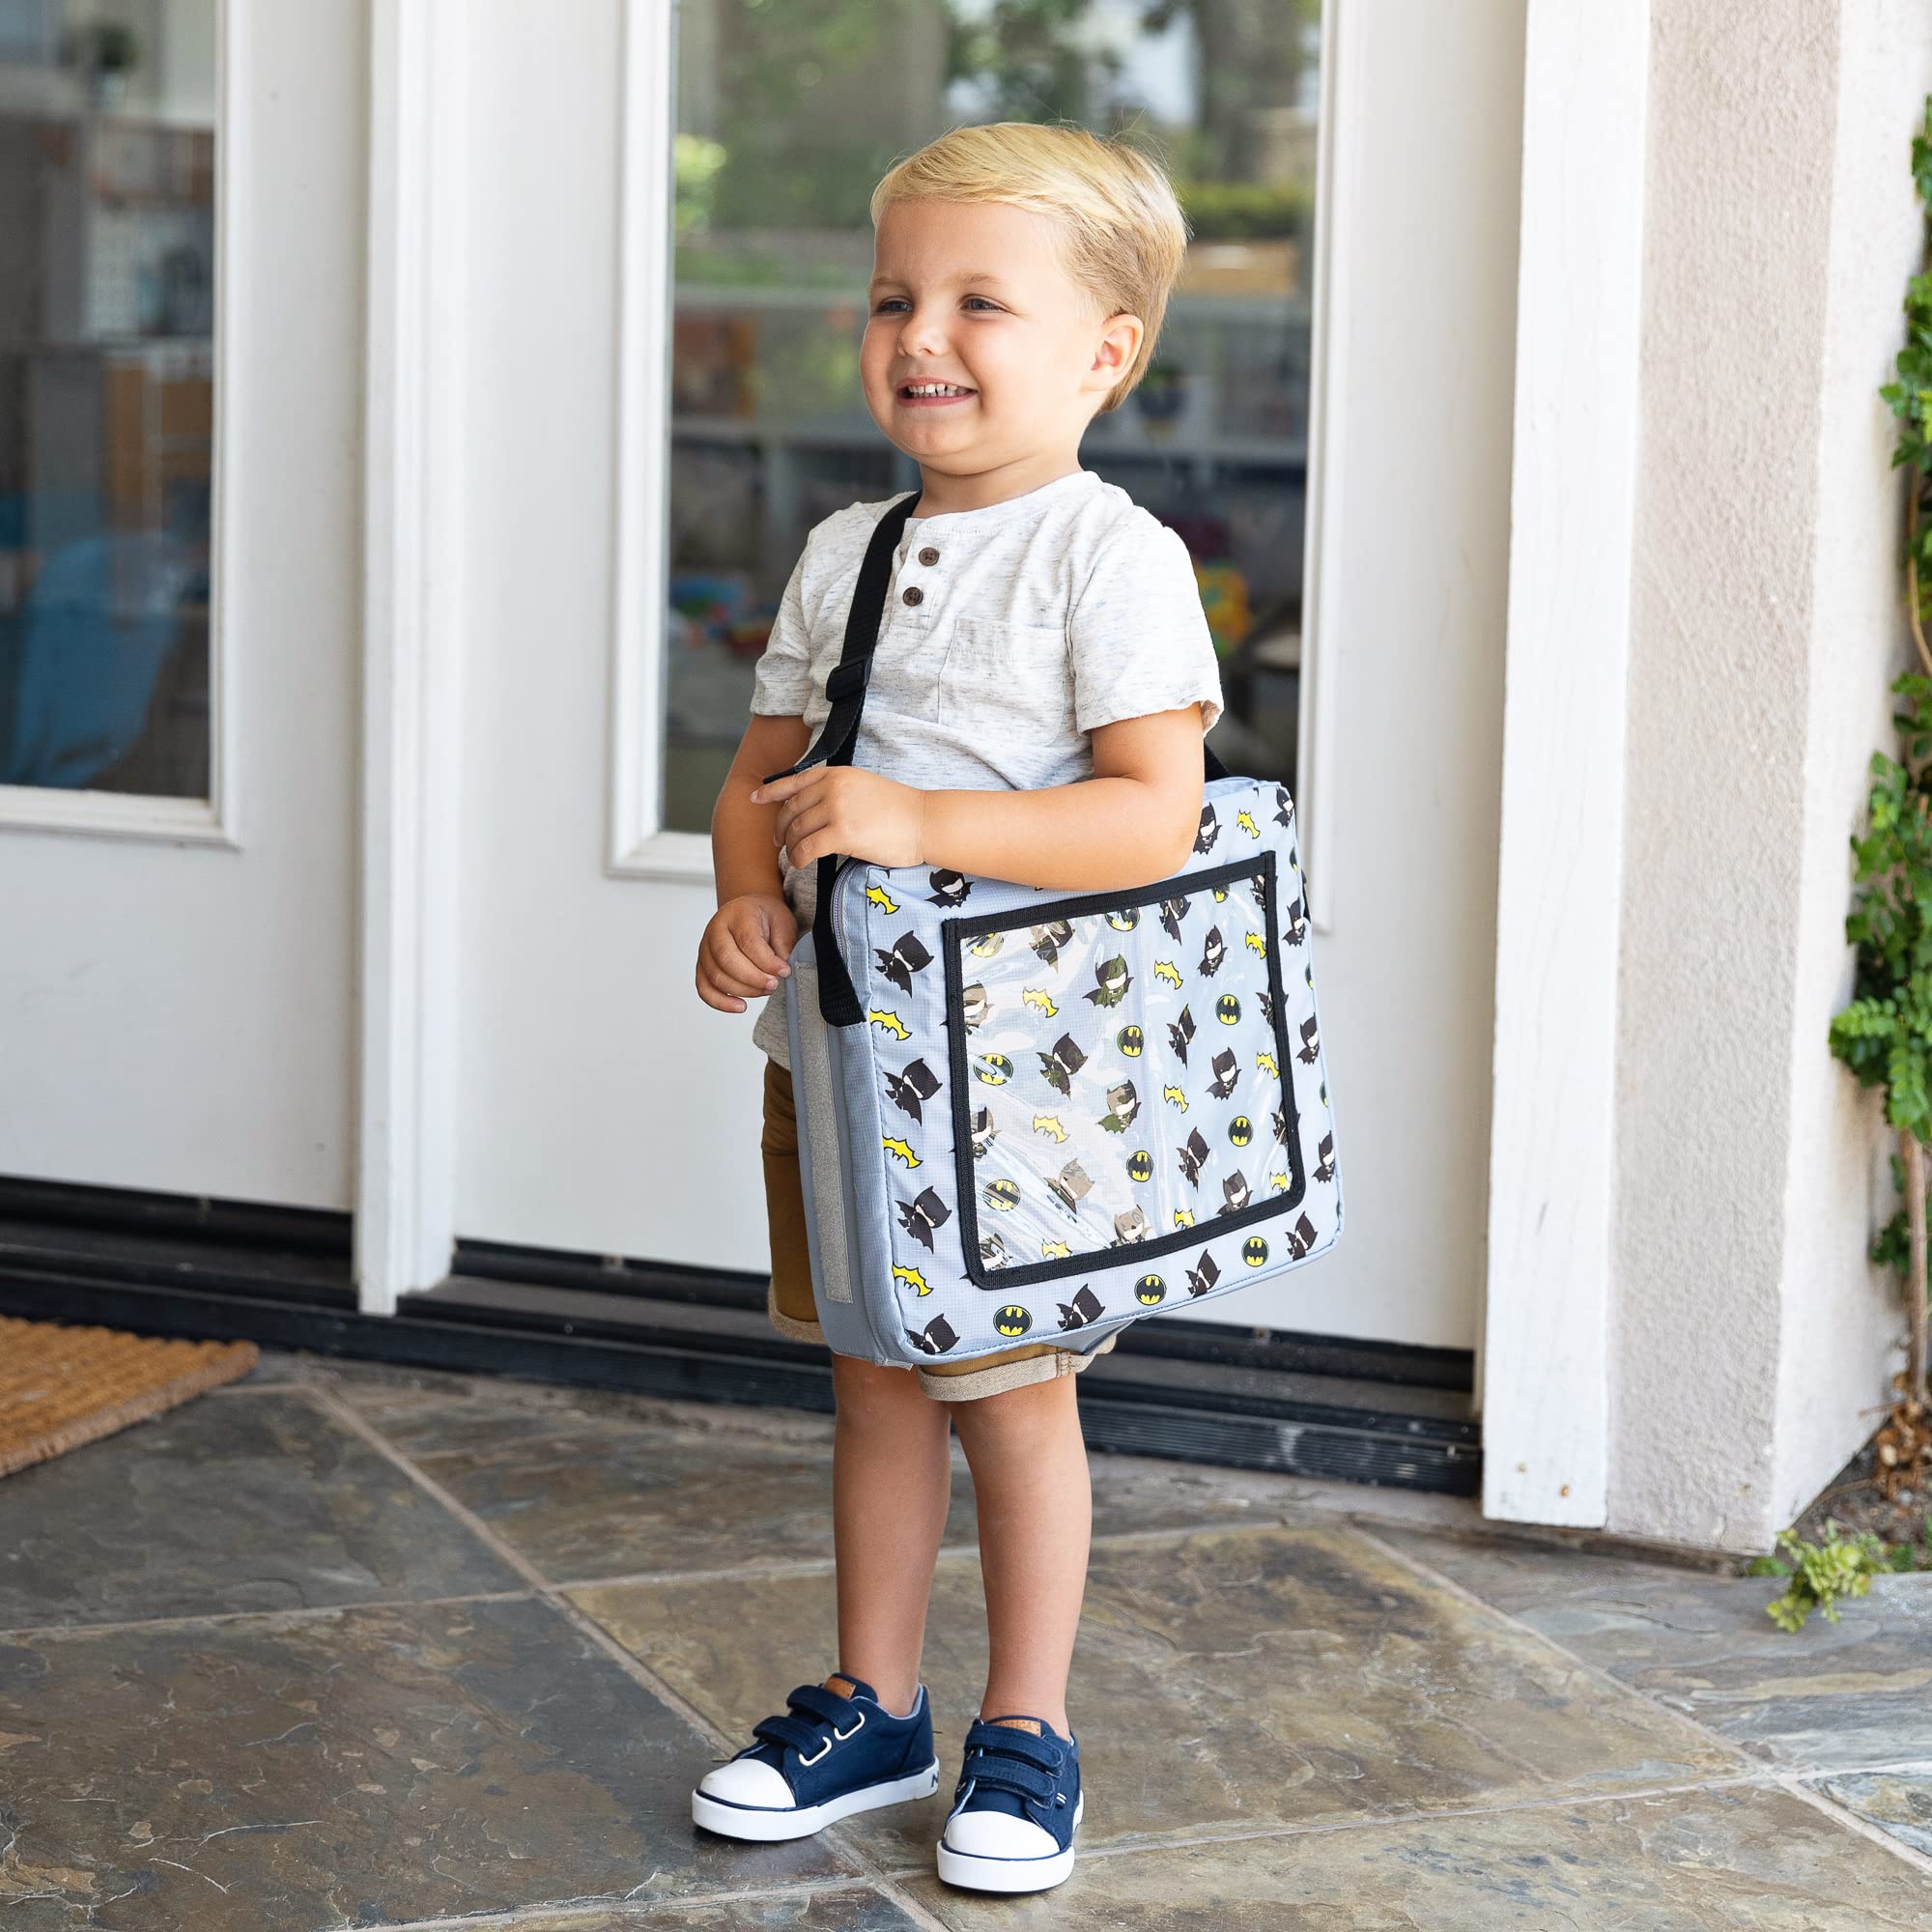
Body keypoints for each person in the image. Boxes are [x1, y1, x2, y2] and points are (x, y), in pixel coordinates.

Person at [692, 119, 1225, 1895]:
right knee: (875, 1378)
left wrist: (920, 823)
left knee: (1009, 1396)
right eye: (892, 298)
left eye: (979, 302)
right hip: (840, 1056)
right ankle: (877, 1703)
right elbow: (760, 778)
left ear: (1105, 352)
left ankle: (1028, 1727)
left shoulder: (1108, 559)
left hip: (1017, 1087)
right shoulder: (844, 552)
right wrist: (747, 897)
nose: (920, 335)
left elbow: (1149, 817)